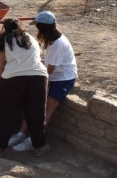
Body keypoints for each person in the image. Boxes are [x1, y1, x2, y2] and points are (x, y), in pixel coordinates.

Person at [8, 11, 78, 151]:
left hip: (63, 79)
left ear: (43, 27)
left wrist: (38, 87)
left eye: (38, 27)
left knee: (45, 108)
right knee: (33, 105)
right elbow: (48, 64)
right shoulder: (52, 40)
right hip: (53, 75)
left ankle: (33, 139)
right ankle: (21, 134)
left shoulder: (58, 44)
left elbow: (49, 70)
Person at [0, 18, 49, 157]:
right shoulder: (31, 39)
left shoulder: (5, 40)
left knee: (7, 115)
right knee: (37, 115)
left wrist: (0, 84)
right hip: (38, 78)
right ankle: (40, 146)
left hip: (13, 80)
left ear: (5, 28)